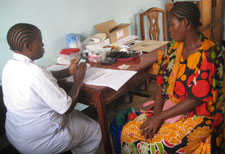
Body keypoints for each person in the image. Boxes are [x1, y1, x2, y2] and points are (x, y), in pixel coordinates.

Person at [121, 2, 225, 154]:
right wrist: (156, 115)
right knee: (127, 132)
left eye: (171, 25)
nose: (169, 30)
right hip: (171, 106)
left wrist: (160, 117)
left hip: (199, 114)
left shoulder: (209, 53)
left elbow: (196, 98)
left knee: (156, 146)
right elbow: (161, 84)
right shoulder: (173, 48)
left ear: (185, 23)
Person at [2, 23, 102, 154]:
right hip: (39, 142)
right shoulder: (35, 74)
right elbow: (67, 108)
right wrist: (78, 80)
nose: (43, 45)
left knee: (78, 118)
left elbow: (45, 75)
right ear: (27, 46)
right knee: (94, 130)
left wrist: (68, 71)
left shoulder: (10, 66)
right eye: (40, 42)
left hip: (16, 134)